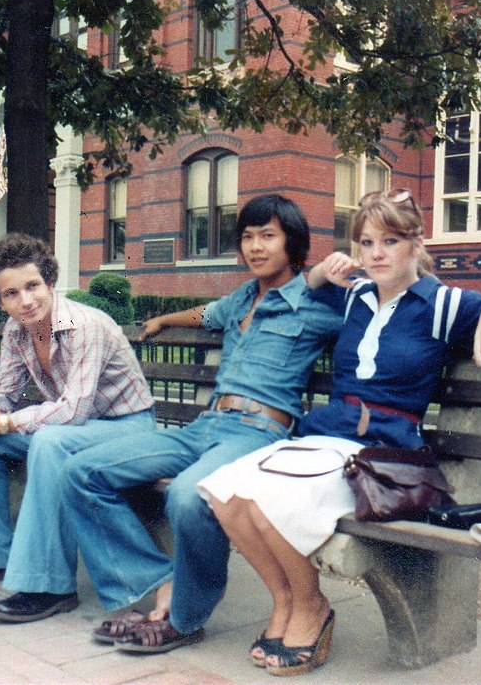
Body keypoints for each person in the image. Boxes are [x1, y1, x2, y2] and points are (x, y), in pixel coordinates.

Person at [197, 190, 481, 676]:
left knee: (267, 501)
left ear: (416, 243)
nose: (377, 253)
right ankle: (285, 600)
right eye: (366, 242)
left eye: (390, 240)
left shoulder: (442, 302)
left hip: (380, 452)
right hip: (325, 437)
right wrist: (327, 269)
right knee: (225, 493)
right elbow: (304, 284)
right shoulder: (357, 297)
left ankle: (312, 608)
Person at [59, 194, 344, 653]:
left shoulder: (318, 303)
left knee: (188, 495)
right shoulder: (242, 299)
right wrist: (164, 319)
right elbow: (205, 314)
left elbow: (383, 306)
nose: (255, 246)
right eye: (248, 237)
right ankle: (156, 581)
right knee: (80, 471)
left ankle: (185, 618)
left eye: (268, 236)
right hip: (205, 427)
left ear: (293, 243)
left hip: (258, 433)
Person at [0, 233, 156, 624]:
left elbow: (73, 411)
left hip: (128, 429)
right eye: (11, 293)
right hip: (79, 428)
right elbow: (3, 393)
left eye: (33, 286)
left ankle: (50, 585)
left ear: (50, 283)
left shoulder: (86, 325)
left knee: (50, 442)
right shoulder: (18, 332)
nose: (25, 300)